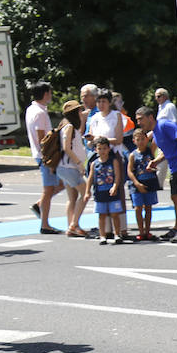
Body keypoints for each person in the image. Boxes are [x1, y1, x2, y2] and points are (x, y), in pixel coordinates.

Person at [135, 106, 177, 241]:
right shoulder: (155, 132)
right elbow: (166, 151)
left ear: (150, 117)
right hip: (174, 167)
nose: (139, 123)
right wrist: (155, 162)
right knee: (176, 198)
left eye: (141, 119)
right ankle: (176, 228)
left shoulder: (164, 125)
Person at [24, 82, 63, 234]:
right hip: (45, 156)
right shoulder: (39, 113)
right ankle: (45, 224)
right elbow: (42, 138)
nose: (51, 96)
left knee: (60, 184)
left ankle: (39, 206)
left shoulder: (32, 109)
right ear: (46, 94)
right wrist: (49, 159)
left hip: (41, 155)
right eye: (50, 93)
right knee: (48, 190)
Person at [56, 101, 90, 237]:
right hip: (69, 167)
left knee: (72, 197)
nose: (81, 113)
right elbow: (66, 147)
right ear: (75, 113)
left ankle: (72, 226)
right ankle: (73, 225)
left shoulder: (65, 125)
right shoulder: (69, 126)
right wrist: (79, 163)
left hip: (64, 167)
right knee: (86, 193)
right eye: (79, 111)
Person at [86, 137, 128, 243]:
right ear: (96, 150)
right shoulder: (94, 164)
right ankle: (102, 236)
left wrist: (115, 186)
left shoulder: (113, 161)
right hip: (99, 193)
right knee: (102, 215)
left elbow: (117, 175)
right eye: (99, 149)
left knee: (115, 214)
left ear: (109, 149)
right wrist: (87, 191)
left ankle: (117, 234)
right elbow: (90, 178)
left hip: (112, 192)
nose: (102, 151)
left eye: (104, 148)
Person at [127, 128, 161, 240]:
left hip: (149, 182)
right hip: (137, 185)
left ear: (147, 140)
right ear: (134, 141)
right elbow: (130, 171)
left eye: (143, 139)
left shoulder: (150, 150)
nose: (141, 142)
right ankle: (141, 231)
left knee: (148, 207)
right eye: (138, 140)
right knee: (138, 208)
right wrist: (137, 183)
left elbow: (156, 138)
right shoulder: (133, 155)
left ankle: (147, 231)